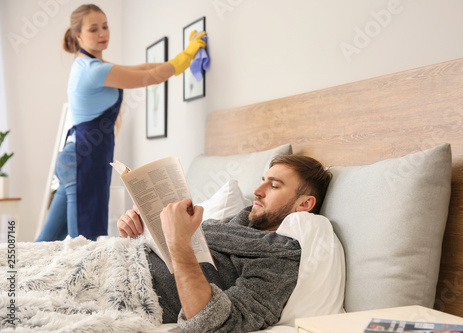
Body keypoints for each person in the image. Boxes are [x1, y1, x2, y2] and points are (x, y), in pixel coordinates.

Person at [36, 4, 206, 242]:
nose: (102, 33)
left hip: (75, 159)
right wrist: (187, 56)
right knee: (87, 244)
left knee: (46, 242)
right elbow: (151, 76)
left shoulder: (88, 65)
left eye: (105, 26)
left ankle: (16, 276)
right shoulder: (94, 71)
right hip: (84, 162)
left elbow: (143, 69)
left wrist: (181, 59)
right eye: (93, 29)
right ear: (78, 36)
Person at [117, 154, 334, 332]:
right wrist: (134, 233)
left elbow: (217, 323)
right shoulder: (227, 226)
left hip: (124, 293)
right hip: (112, 264)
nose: (258, 191)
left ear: (304, 203)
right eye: (263, 180)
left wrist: (178, 242)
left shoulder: (279, 260)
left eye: (274, 186)